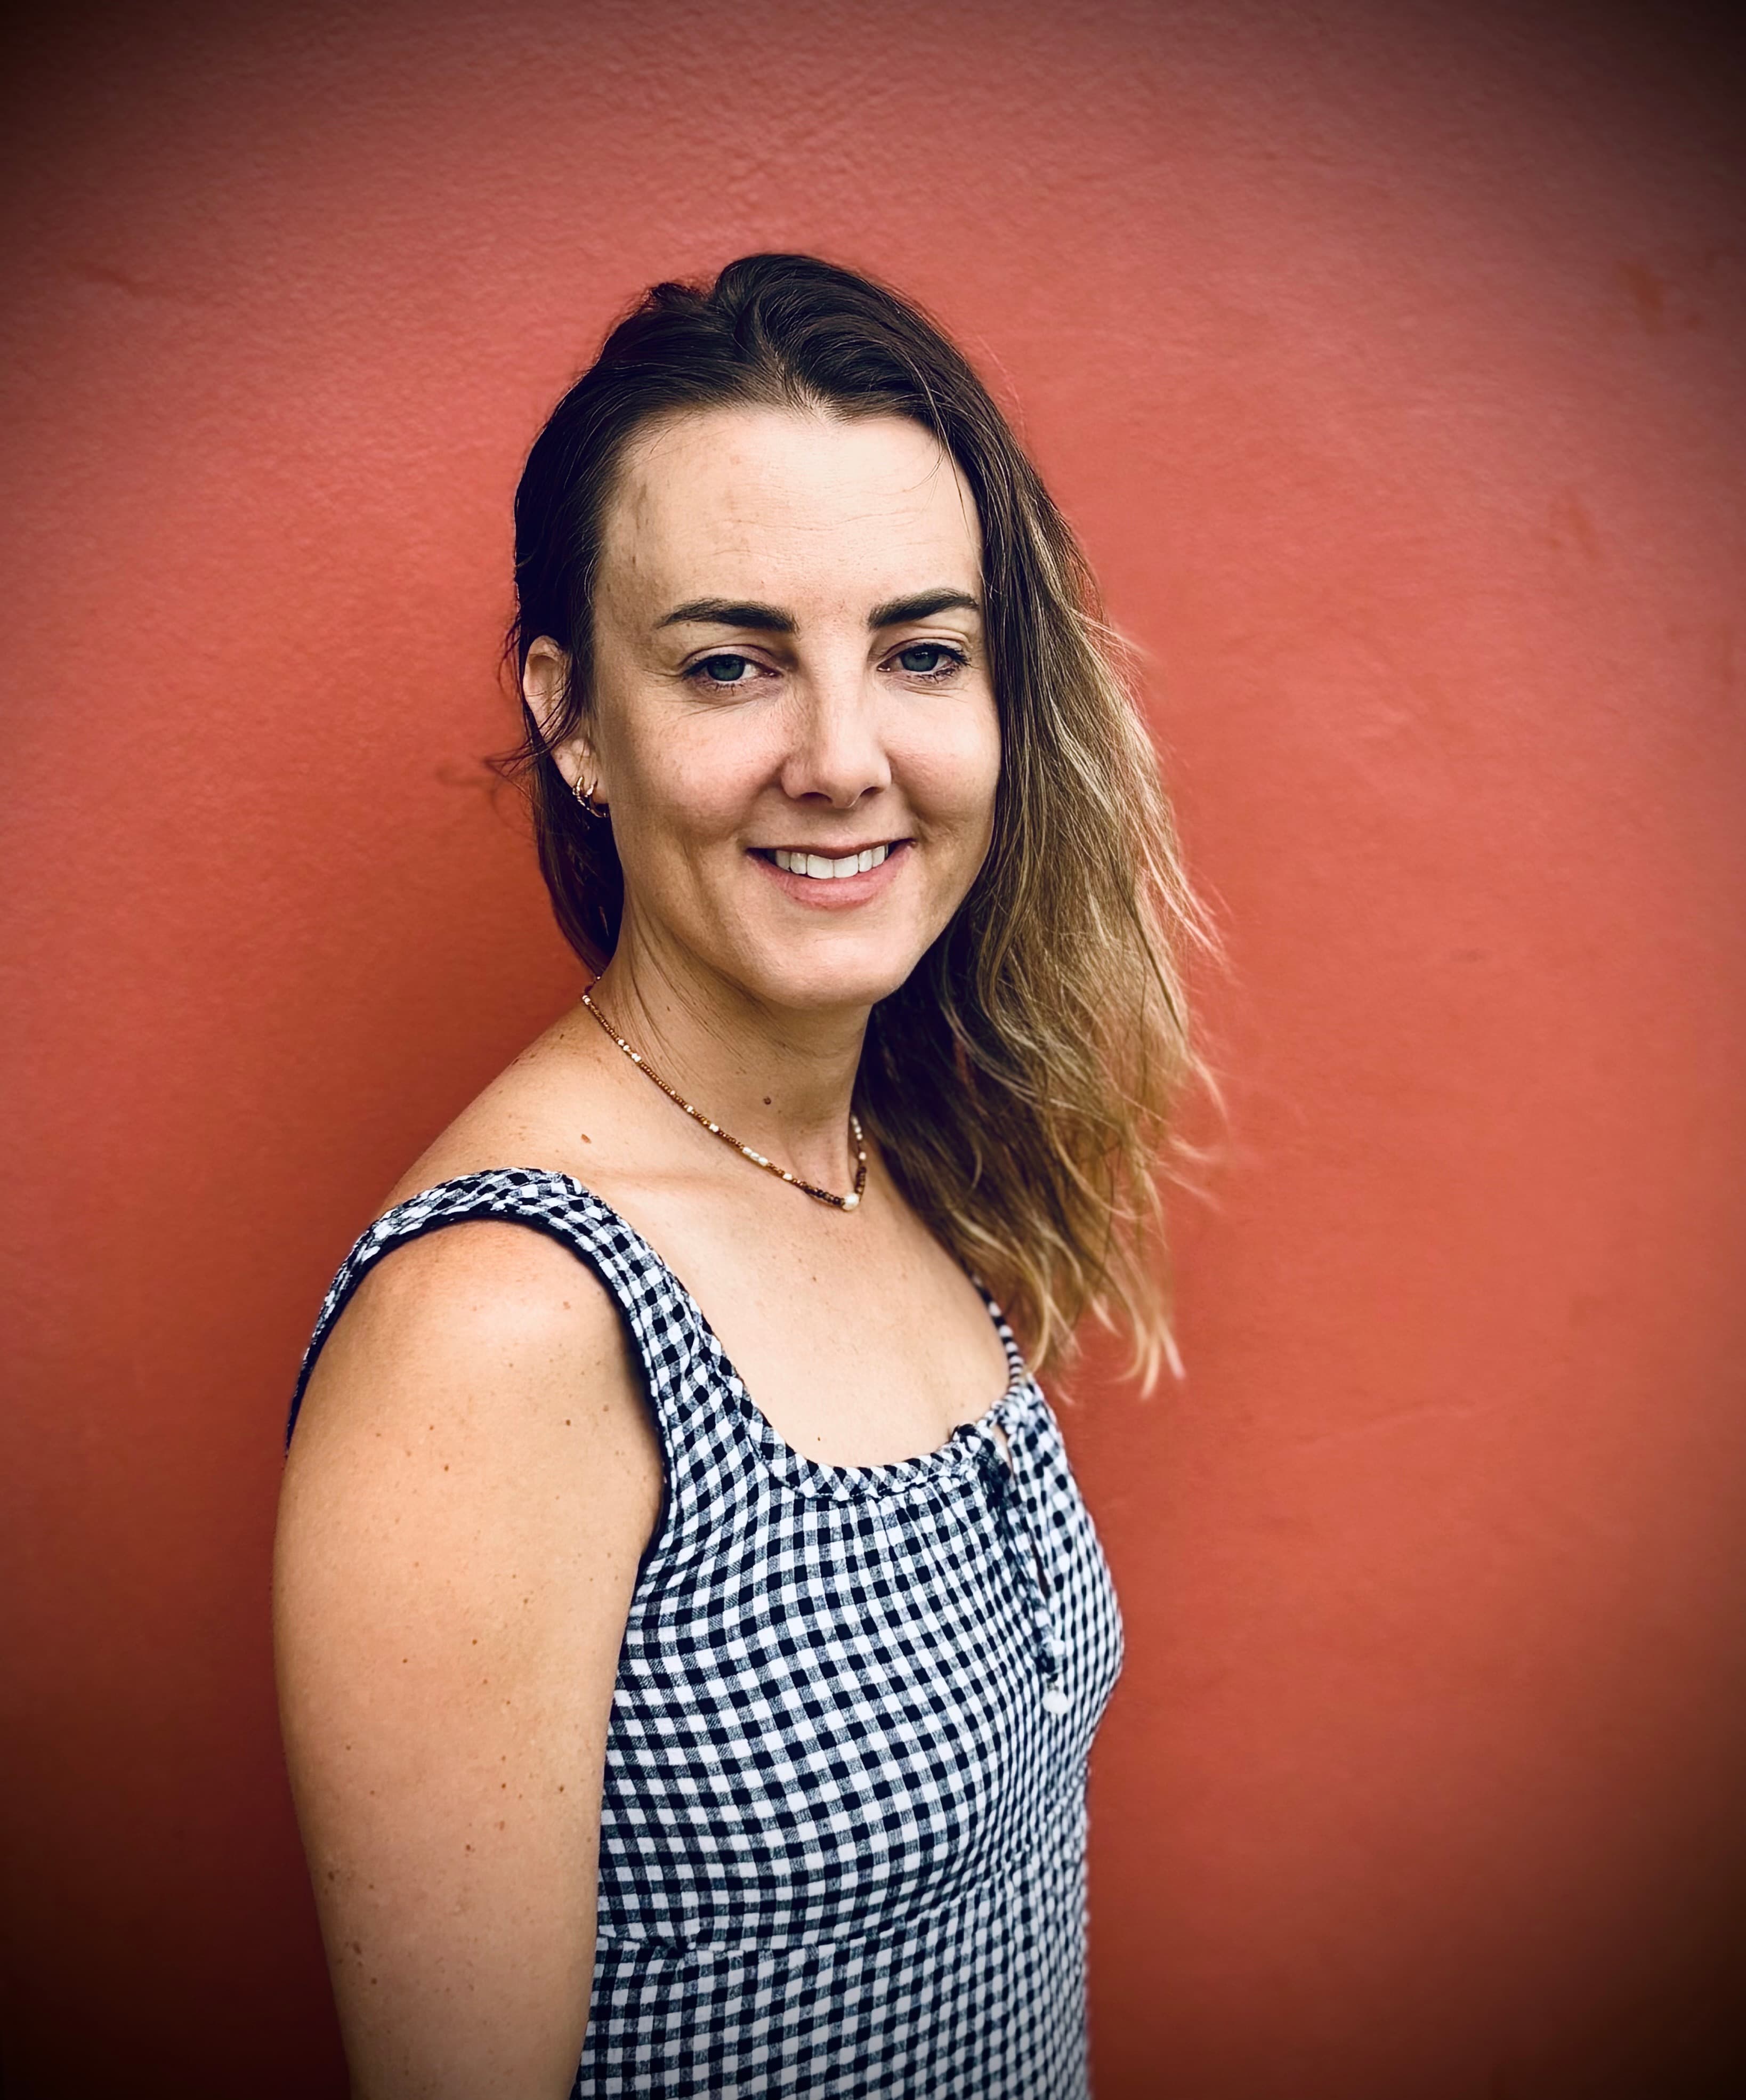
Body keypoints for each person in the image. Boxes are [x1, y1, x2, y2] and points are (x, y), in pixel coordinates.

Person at [274, 253, 1204, 2099]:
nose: (844, 758)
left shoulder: (887, 1163)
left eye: (921, 651)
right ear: (572, 717)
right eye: (729, 663)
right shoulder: (507, 1325)